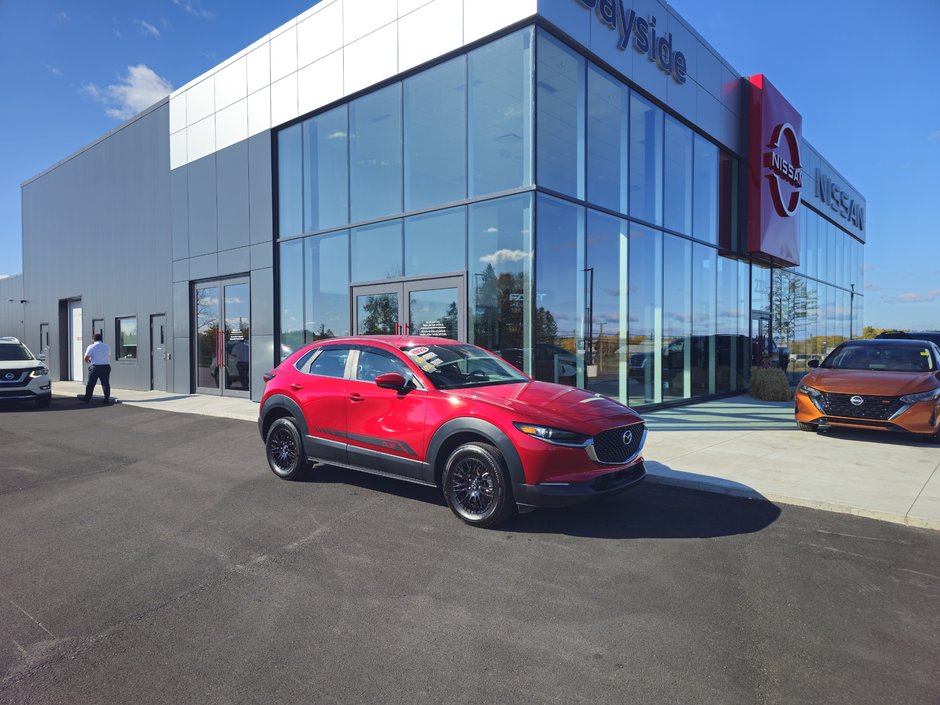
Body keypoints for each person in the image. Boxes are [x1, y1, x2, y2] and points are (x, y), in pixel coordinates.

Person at [79, 333, 112, 404]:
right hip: (106, 366)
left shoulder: (91, 346)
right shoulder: (107, 346)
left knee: (91, 383)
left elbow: (86, 358)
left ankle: (87, 398)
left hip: (95, 367)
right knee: (105, 383)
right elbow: (108, 355)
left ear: (93, 339)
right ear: (101, 339)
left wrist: (89, 361)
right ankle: (106, 399)